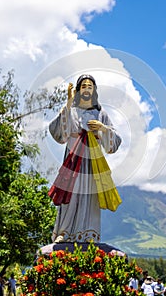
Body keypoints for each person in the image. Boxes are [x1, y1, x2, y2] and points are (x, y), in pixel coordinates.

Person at [48, 74, 122, 243]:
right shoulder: (72, 111)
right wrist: (68, 102)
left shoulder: (100, 113)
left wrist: (102, 129)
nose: (87, 89)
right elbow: (60, 134)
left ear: (94, 90)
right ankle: (64, 232)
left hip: (92, 160)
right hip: (73, 159)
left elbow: (114, 142)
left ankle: (88, 233)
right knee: (71, 192)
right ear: (78, 90)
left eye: (90, 86)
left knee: (90, 195)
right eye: (83, 86)